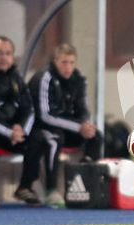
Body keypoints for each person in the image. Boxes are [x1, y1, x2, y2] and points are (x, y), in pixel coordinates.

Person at [28, 43, 103, 207]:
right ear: (55, 61)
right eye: (64, 62)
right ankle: (51, 190)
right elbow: (45, 115)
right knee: (55, 138)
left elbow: (83, 109)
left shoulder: (79, 79)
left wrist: (86, 125)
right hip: (41, 128)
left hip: (68, 126)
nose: (68, 67)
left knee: (96, 135)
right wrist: (78, 127)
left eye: (71, 62)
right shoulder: (44, 78)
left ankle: (88, 181)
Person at [0, 36, 45, 208]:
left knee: (38, 137)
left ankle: (25, 187)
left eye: (7, 53)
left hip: (12, 135)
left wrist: (22, 130)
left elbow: (29, 109)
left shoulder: (16, 79)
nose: (3, 57)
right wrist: (9, 131)